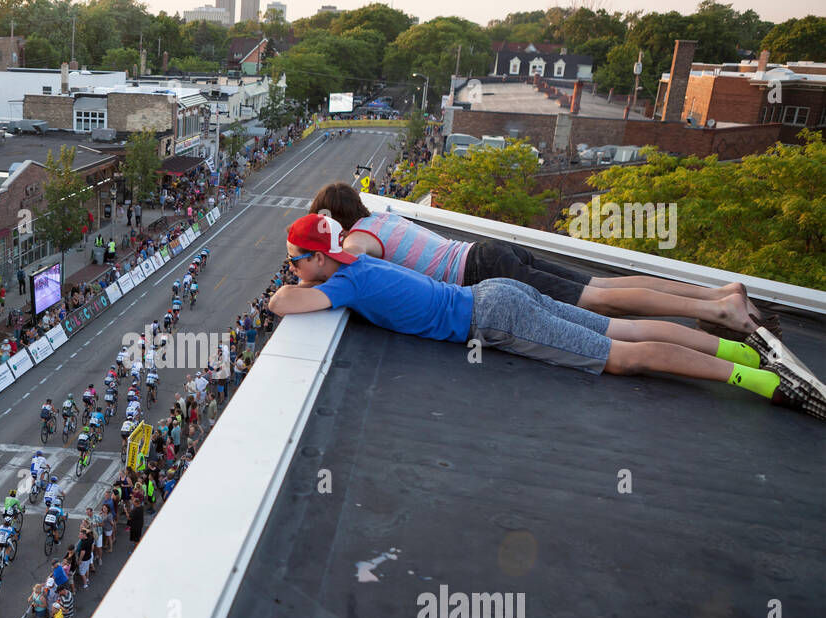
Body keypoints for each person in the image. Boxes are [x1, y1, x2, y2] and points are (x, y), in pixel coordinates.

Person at [273, 213, 825, 420]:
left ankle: (758, 382)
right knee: (620, 323)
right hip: (495, 287)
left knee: (622, 359)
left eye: (297, 258)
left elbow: (284, 302)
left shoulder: (343, 282)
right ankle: (740, 349)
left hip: (492, 318)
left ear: (320, 257)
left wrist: (298, 280)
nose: (294, 268)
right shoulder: (360, 262)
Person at [308, 182, 778, 338]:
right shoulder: (385, 216)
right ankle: (716, 292)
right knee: (605, 286)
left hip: (482, 271)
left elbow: (346, 276)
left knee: (600, 302)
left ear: (332, 218)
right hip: (486, 253)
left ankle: (716, 311)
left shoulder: (356, 242)